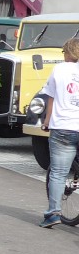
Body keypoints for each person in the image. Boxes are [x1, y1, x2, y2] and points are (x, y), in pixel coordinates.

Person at [38, 38, 79, 228]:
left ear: (69, 52)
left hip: (63, 126)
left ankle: (53, 214)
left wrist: (47, 121)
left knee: (59, 173)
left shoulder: (59, 69)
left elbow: (51, 97)